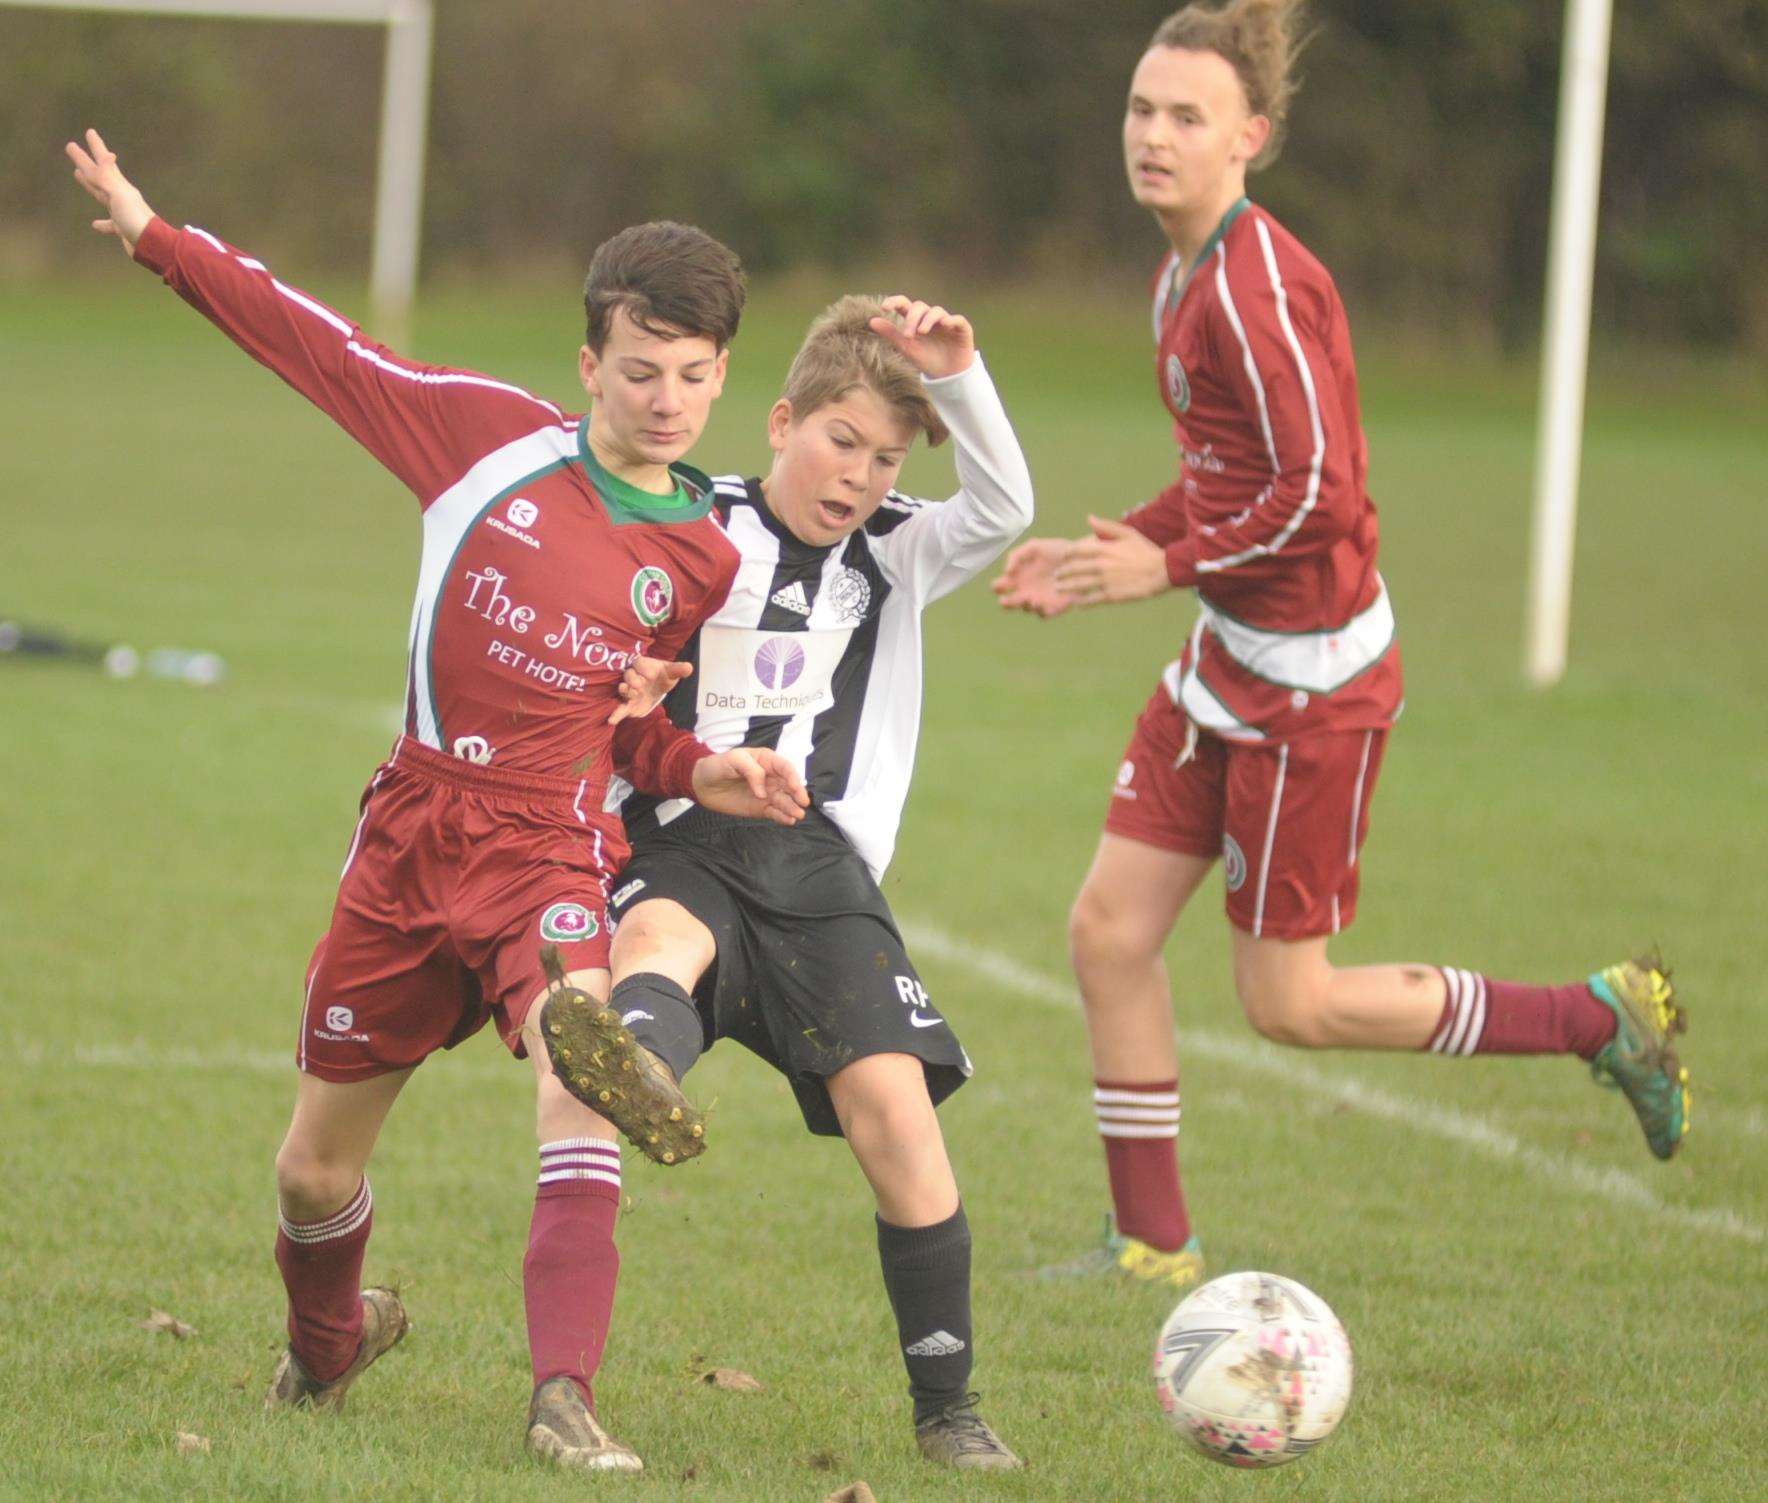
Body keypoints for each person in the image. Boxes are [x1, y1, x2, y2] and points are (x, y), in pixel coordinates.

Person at [65, 128, 811, 1474]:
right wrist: (158, 237)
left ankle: (565, 1392)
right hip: (414, 830)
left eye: (696, 377)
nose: (668, 399)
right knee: (311, 1171)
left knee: (581, 1066)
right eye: (640, 370)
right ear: (590, 362)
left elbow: (629, 733)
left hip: (549, 838)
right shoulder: (480, 439)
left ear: (720, 375)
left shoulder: (702, 553)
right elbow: (321, 348)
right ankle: (334, 1337)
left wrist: (706, 766)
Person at [989, 0, 1690, 1291]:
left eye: (1184, 116)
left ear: (1249, 135)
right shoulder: (1181, 269)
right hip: (1227, 657)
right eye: (1141, 109)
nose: (1151, 135)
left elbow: (1318, 491)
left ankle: (1601, 1014)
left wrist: (1167, 563)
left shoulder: (1259, 289)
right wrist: (1108, 556)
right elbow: (1226, 471)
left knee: (1290, 1003)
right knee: (1107, 930)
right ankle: (1152, 1239)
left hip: (1313, 688)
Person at [538, 294, 1033, 1469]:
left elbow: (1006, 506)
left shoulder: (898, 549)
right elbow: (612, 664)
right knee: (658, 939)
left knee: (895, 1115)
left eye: (882, 455)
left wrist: (959, 374)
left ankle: (948, 1411)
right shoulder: (692, 525)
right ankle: (639, 1066)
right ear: (779, 422)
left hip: (818, 869)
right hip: (680, 827)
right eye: (839, 441)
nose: (857, 475)